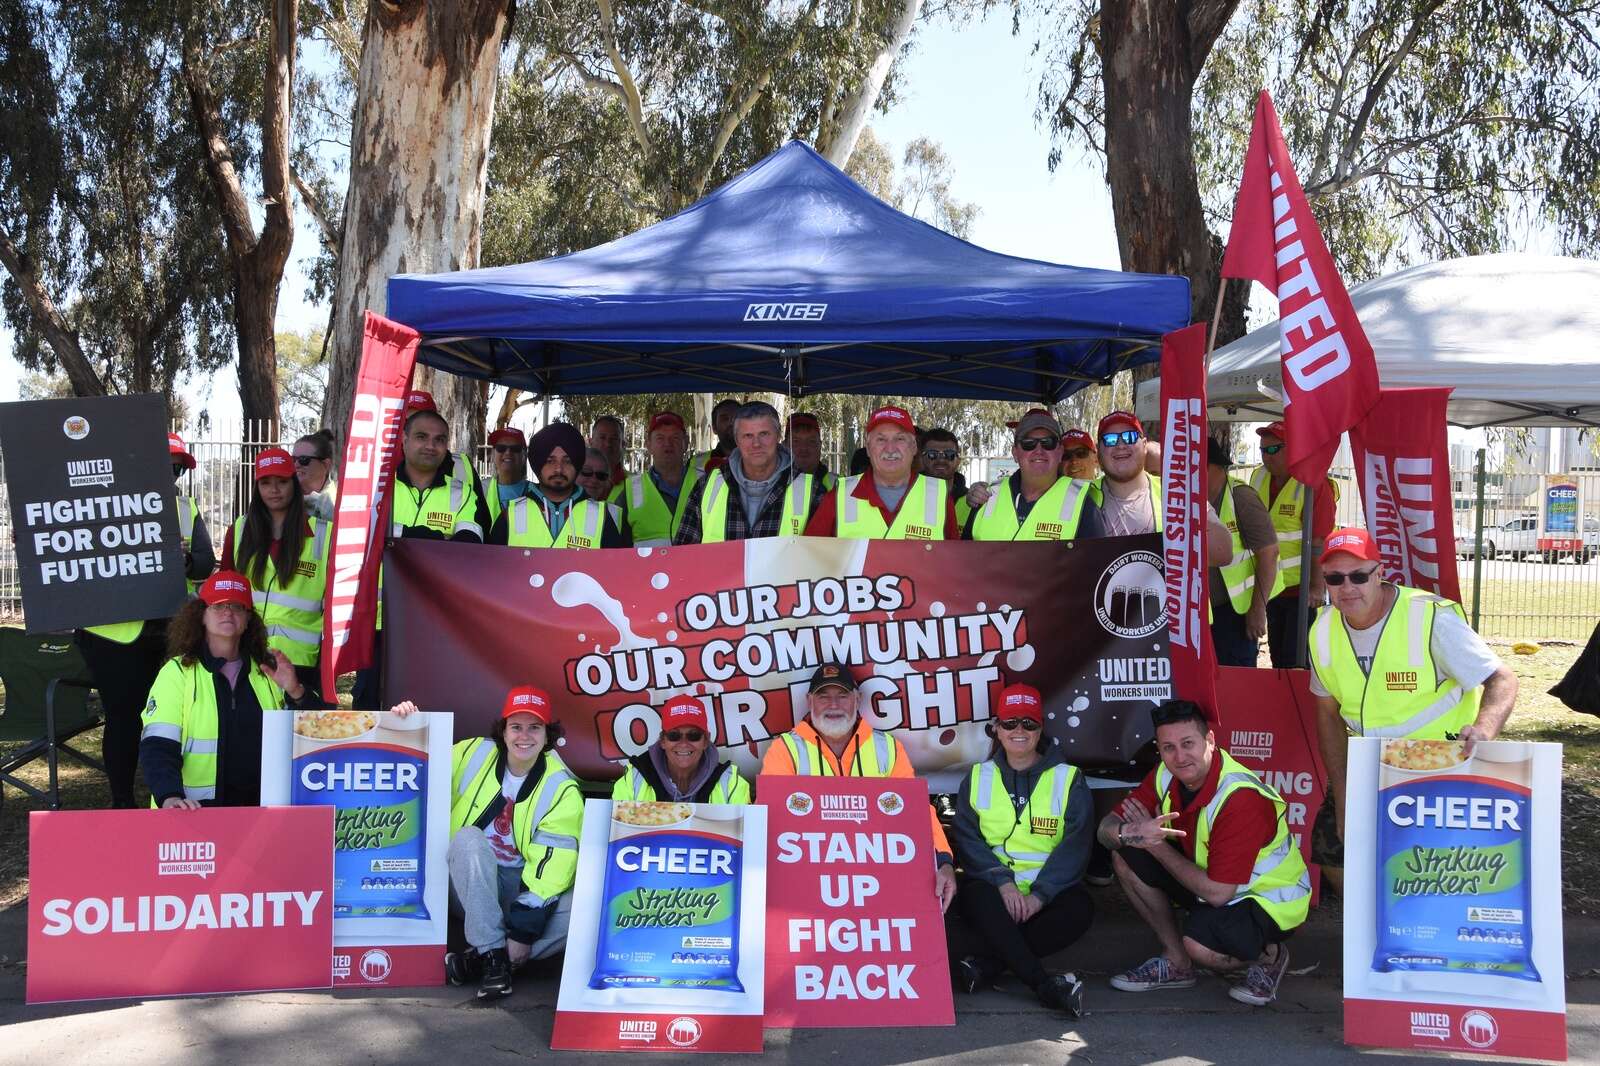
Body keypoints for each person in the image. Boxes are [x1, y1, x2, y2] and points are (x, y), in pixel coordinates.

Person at [1308, 527, 1518, 890]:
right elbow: (1326, 714)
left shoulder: (1430, 618)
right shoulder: (1322, 629)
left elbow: (1502, 678)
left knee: (1435, 866)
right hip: (1369, 761)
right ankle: (1368, 931)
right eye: (1335, 578)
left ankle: (1427, 936)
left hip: (1438, 762)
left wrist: (1483, 730)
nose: (1347, 587)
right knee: (1332, 849)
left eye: (1359, 576)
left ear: (1380, 573)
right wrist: (1342, 793)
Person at [1101, 700, 1309, 1006]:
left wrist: (1154, 844)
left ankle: (1270, 955)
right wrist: (1127, 833)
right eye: (1168, 747)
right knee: (1125, 854)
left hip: (1267, 899)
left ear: (1210, 740)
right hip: (1212, 879)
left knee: (1202, 948)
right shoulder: (1164, 774)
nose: (1179, 757)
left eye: (1188, 744)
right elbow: (1106, 829)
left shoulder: (1240, 798)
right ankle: (1177, 963)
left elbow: (1218, 894)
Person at [392, 686, 582, 999]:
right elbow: (416, 769)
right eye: (516, 727)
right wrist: (407, 727)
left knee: (587, 905)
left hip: (516, 891)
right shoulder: (472, 753)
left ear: (548, 735)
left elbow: (552, 873)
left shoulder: (562, 789)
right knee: (468, 838)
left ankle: (484, 960)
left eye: (535, 728)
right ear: (503, 731)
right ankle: (494, 951)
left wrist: (523, 932)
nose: (524, 736)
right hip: (464, 883)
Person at [75, 431, 216, 807]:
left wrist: (181, 560)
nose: (168, 475)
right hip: (114, 633)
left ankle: (173, 793)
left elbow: (204, 561)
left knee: (172, 714)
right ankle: (122, 803)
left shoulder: (185, 508)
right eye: (162, 466)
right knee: (123, 718)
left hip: (169, 630)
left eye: (175, 469)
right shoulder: (105, 503)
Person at [759, 662, 958, 912]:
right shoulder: (786, 749)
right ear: (810, 700)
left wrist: (942, 862)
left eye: (842, 696)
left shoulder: (887, 747)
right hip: (810, 876)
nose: (834, 705)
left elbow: (916, 812)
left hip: (880, 875)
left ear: (857, 699)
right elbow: (770, 820)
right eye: (824, 696)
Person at [945, 682, 1092, 1016]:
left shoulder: (1069, 778)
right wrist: (1003, 882)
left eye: (1029, 722)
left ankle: (988, 966)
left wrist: (1039, 895)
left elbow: (1076, 846)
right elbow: (967, 839)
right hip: (993, 889)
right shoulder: (978, 775)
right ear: (997, 729)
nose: (1019, 731)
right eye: (1010, 723)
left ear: (1040, 728)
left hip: (1048, 894)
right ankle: (1043, 986)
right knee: (974, 900)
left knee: (1081, 909)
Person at [138, 570, 320, 809]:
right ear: (201, 616)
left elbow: (319, 735)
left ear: (247, 620)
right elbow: (158, 746)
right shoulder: (177, 673)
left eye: (237, 606)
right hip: (193, 814)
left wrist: (296, 690)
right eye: (218, 605)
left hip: (262, 812)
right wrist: (169, 796)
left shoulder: (269, 671)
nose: (228, 612)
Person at [354, 405, 488, 709]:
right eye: (422, 437)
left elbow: (468, 546)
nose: (431, 445)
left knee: (429, 710)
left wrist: (398, 535)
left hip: (435, 621)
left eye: (440, 439)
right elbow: (368, 538)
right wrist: (438, 539)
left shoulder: (462, 491)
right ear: (403, 439)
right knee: (371, 705)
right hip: (379, 620)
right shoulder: (378, 489)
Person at [220, 448, 332, 700]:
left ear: (294, 483)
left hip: (302, 663)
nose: (274, 489)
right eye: (266, 483)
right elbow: (224, 596)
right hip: (246, 655)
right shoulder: (238, 531)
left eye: (282, 482)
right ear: (256, 487)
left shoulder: (325, 535)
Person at [675, 401, 824, 543]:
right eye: (747, 436)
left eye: (764, 434)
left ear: (778, 436)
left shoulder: (812, 491)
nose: (756, 444)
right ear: (737, 440)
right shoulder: (706, 487)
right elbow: (683, 554)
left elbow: (825, 559)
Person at [1251, 421, 1336, 668]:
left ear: (1294, 449)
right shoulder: (1258, 477)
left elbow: (1319, 541)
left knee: (1298, 660)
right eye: (1263, 450)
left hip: (1301, 592)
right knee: (1278, 659)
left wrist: (1316, 587)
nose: (1267, 456)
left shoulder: (1314, 485)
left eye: (1274, 449)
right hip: (1270, 587)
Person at [804, 406, 958, 539]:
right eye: (881, 439)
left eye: (900, 439)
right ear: (869, 449)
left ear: (914, 447)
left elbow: (954, 562)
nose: (890, 449)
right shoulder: (840, 496)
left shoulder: (939, 497)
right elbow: (810, 556)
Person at [489, 422, 629, 548]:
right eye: (550, 461)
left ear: (577, 464)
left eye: (567, 461)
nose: (559, 469)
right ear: (539, 464)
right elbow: (492, 569)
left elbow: (617, 570)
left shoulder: (602, 516)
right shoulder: (510, 515)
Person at [965, 409, 1093, 541]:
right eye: (1028, 443)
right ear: (1015, 453)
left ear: (1060, 452)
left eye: (1048, 442)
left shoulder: (1083, 503)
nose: (1039, 450)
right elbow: (963, 558)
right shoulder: (986, 497)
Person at [1208, 437, 1278, 668]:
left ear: (1215, 466)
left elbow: (1269, 553)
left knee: (1235, 681)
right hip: (1203, 614)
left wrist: (1258, 610)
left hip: (1236, 613)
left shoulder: (1241, 498)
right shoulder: (1186, 500)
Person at [612, 693, 751, 803]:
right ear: (662, 741)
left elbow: (747, 836)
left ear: (706, 741)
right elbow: (616, 832)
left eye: (694, 735)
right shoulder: (632, 780)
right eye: (674, 735)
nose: (684, 743)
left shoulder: (732, 783)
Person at [621, 411, 700, 546]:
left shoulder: (704, 482)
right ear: (648, 444)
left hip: (698, 566)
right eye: (660, 438)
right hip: (646, 567)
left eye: (675, 438)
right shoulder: (630, 489)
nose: (667, 444)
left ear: (686, 443)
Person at [480, 426, 532, 530]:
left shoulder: (535, 492)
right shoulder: (480, 489)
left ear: (524, 456)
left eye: (515, 449)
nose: (508, 453)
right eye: (501, 448)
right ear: (493, 455)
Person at [919, 428, 970, 528]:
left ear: (958, 460)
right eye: (932, 454)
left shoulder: (972, 500)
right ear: (922, 459)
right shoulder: (907, 497)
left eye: (949, 455)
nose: (941, 459)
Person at [293, 428, 339, 521]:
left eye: (304, 459)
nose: (296, 464)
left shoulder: (336, 505)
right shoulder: (281, 496)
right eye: (293, 459)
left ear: (326, 464)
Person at [785, 411, 837, 491]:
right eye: (796, 441)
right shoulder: (771, 484)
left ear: (820, 445)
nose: (803, 448)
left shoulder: (837, 485)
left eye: (811, 441)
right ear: (784, 446)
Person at [694, 397, 741, 473]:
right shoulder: (695, 464)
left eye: (736, 418)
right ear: (714, 428)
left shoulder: (758, 459)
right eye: (725, 419)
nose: (731, 423)